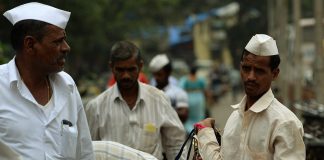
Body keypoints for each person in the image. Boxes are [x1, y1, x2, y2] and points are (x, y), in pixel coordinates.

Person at [0, 2, 94, 159]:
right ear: (30, 45)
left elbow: (84, 153)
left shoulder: (68, 85)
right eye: (57, 42)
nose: (66, 48)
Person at [194, 34, 305, 159]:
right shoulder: (235, 118)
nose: (250, 77)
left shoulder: (285, 123)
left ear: (274, 74)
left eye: (259, 71)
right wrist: (206, 132)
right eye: (246, 68)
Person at [85, 41, 186, 160]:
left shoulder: (159, 99)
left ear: (140, 66)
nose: (126, 76)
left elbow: (175, 145)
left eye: (131, 69)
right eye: (120, 70)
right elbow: (89, 150)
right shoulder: (96, 107)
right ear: (111, 67)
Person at [149, 54, 189, 123]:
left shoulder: (178, 93)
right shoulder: (149, 92)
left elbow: (183, 116)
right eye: (154, 75)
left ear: (168, 73)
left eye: (159, 74)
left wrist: (162, 109)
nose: (156, 78)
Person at [179, 65, 208, 133]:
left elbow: (181, 88)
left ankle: (190, 130)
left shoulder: (185, 79)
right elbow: (205, 89)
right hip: (199, 98)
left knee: (189, 116)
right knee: (199, 115)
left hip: (189, 98)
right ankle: (199, 129)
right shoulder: (200, 79)